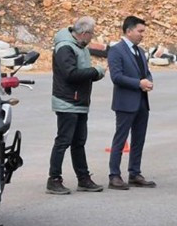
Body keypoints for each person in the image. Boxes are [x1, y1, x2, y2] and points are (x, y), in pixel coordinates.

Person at [47, 17, 107, 195]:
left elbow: (80, 73)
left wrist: (95, 75)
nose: (92, 37)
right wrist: (95, 71)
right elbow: (70, 74)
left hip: (79, 102)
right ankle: (54, 179)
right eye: (91, 34)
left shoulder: (80, 47)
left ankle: (83, 178)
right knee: (63, 141)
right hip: (67, 101)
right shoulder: (65, 47)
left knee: (79, 142)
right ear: (84, 33)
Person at [106, 15, 157, 190]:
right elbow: (116, 77)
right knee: (121, 138)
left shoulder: (140, 51)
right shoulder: (116, 50)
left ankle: (134, 172)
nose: (142, 34)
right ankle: (114, 175)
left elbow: (145, 72)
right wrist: (138, 84)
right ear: (128, 31)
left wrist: (148, 81)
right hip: (125, 102)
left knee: (139, 139)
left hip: (142, 101)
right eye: (140, 31)